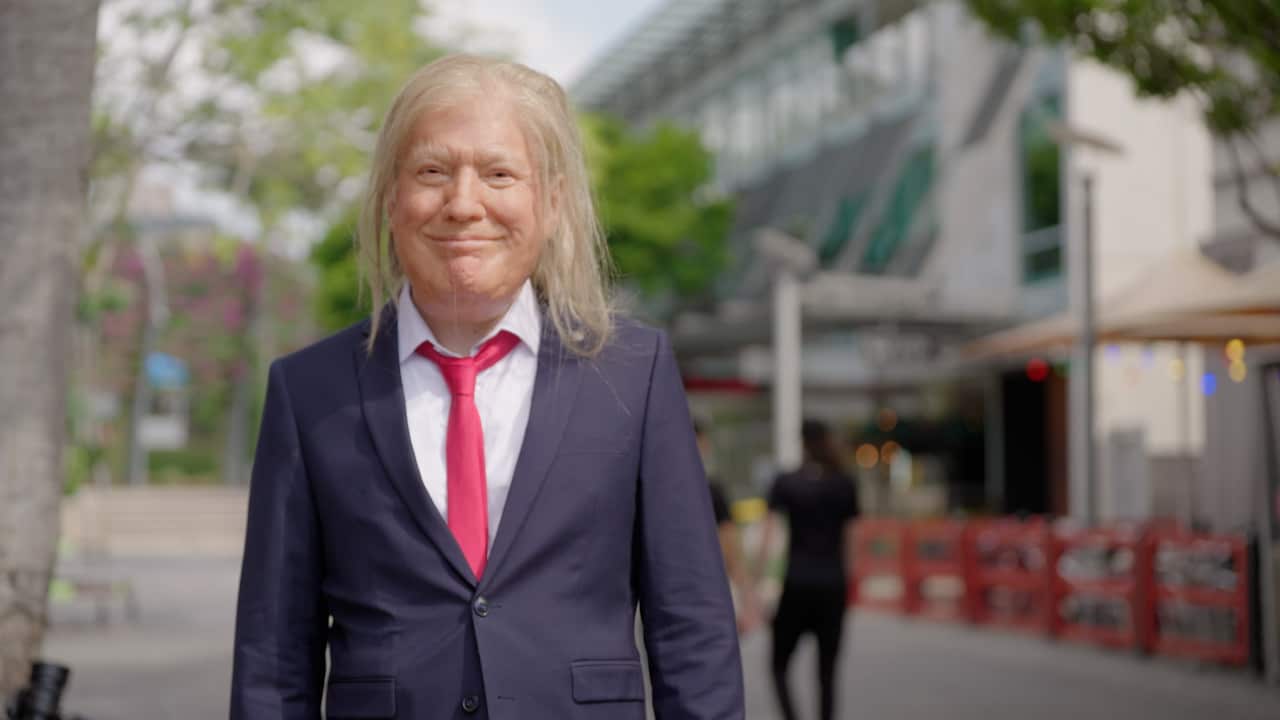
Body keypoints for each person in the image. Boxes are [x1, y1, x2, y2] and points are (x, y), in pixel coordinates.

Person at [229, 54, 743, 720]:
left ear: (552, 201)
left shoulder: (633, 374)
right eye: (432, 172)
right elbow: (273, 658)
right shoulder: (309, 392)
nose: (464, 204)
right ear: (390, 197)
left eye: (499, 174)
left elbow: (692, 628)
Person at [753, 419, 860, 720]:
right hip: (833, 584)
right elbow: (851, 539)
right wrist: (848, 581)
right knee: (827, 672)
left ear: (802, 443)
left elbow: (769, 533)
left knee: (778, 664)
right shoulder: (845, 483)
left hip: (797, 582)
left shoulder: (786, 482)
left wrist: (758, 581)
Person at [694, 420, 762, 635]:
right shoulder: (710, 489)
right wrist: (745, 594)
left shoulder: (649, 489)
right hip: (707, 589)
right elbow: (729, 543)